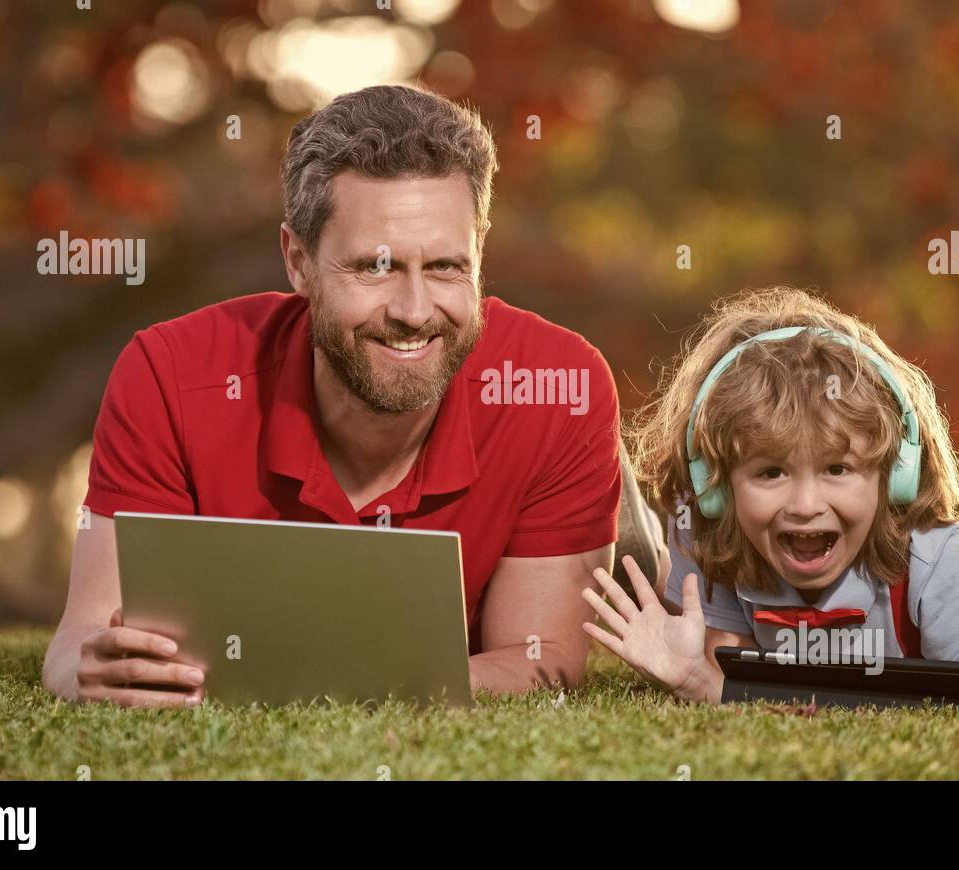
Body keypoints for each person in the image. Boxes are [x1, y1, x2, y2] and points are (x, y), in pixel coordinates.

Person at [42, 84, 623, 707]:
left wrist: (341, 683)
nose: (413, 310)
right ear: (298, 261)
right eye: (375, 267)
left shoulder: (560, 388)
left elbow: (541, 660)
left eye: (446, 268)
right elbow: (82, 640)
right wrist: (90, 672)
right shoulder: (170, 376)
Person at [582, 286, 959, 716]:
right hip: (930, 617)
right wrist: (695, 677)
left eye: (838, 468)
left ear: (894, 475)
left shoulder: (932, 560)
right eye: (770, 473)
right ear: (715, 488)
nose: (805, 504)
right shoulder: (713, 543)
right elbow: (740, 689)